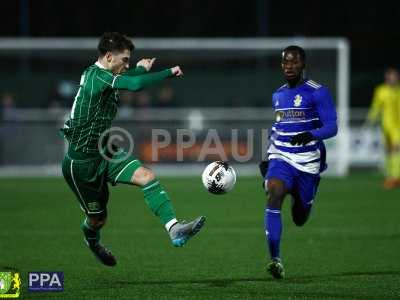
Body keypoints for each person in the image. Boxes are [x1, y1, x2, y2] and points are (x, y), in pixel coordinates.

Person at [60, 32, 205, 267]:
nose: (127, 65)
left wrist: (140, 69)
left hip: (104, 150)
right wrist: (168, 72)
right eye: (124, 60)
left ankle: (175, 229)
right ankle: (92, 241)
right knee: (97, 219)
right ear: (109, 56)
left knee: (147, 176)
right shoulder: (97, 76)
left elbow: (129, 78)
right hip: (81, 162)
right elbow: (134, 84)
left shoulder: (107, 75)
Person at [259, 45, 338, 279]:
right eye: (285, 63)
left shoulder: (318, 92)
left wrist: (311, 134)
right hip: (281, 157)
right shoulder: (278, 95)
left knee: (299, 218)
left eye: (294, 62)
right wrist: (267, 155)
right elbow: (278, 126)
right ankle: (275, 259)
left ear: (303, 64)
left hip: (308, 162)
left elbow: (332, 126)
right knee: (274, 192)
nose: (289, 67)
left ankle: (307, 190)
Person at [366, 68, 400, 189]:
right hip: (386, 126)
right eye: (391, 77)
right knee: (389, 151)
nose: (393, 79)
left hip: (398, 126)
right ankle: (390, 176)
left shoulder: (398, 90)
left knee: (396, 149)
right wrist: (371, 119)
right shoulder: (381, 90)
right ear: (387, 78)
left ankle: (396, 176)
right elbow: (376, 106)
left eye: (395, 77)